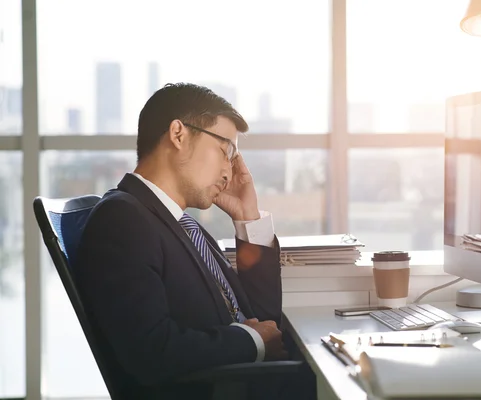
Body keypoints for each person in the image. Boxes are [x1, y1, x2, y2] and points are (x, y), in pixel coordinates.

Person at [75, 83, 314, 399]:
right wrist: (251, 341)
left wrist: (248, 219)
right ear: (178, 134)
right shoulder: (123, 219)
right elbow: (151, 352)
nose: (230, 172)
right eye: (225, 151)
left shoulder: (182, 225)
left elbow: (263, 319)